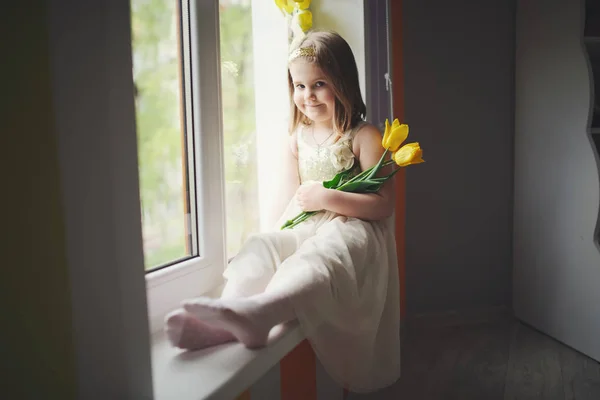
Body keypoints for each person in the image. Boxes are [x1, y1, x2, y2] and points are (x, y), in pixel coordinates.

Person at [165, 30, 401, 392]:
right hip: (306, 223)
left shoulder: (364, 136)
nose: (307, 96)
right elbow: (287, 200)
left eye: (319, 84)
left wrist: (327, 198)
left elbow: (385, 205)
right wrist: (278, 237)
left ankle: (264, 313)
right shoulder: (297, 137)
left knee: (317, 261)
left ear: (343, 82)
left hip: (351, 228)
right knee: (263, 244)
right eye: (299, 85)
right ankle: (229, 316)